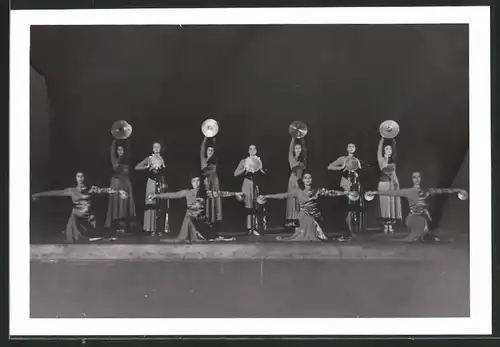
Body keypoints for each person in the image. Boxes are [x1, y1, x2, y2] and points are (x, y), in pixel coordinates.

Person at [365, 171, 468, 242]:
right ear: (412, 179)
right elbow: (392, 192)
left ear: (421, 178)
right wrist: (375, 192)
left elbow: (443, 191)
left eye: (418, 177)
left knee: (425, 221)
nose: (417, 179)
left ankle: (424, 235)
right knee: (420, 226)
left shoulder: (427, 191)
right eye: (414, 177)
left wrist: (458, 190)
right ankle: (420, 234)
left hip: (424, 218)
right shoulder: (408, 191)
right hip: (413, 218)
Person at [32, 171, 128, 244]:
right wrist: (39, 194)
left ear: (85, 178)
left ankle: (88, 235)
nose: (81, 178)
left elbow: (105, 190)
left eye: (82, 176)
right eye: (78, 176)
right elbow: (55, 193)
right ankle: (78, 237)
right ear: (76, 178)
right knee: (74, 216)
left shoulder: (91, 189)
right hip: (77, 216)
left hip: (89, 217)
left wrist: (119, 191)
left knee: (90, 225)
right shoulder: (71, 190)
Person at [258, 173, 356, 242]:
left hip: (317, 216)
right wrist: (267, 196)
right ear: (303, 180)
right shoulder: (298, 191)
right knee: (310, 224)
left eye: (309, 178)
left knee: (326, 233)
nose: (308, 179)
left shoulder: (317, 190)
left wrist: (345, 192)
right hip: (305, 216)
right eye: (306, 178)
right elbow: (283, 195)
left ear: (312, 179)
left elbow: (332, 193)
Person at [149, 175, 243, 242]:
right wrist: (156, 195)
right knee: (190, 218)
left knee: (210, 234)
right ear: (191, 182)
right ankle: (195, 235)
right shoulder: (187, 192)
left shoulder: (204, 193)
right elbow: (172, 195)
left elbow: (221, 193)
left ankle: (201, 234)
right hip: (189, 218)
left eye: (198, 181)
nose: (196, 183)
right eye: (194, 181)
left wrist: (235, 193)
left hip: (200, 219)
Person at [328, 143, 365, 234]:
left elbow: (361, 172)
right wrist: (341, 167)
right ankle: (345, 227)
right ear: (347, 148)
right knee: (345, 205)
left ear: (355, 149)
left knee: (355, 204)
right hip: (345, 183)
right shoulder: (342, 159)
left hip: (355, 184)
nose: (351, 148)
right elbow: (330, 166)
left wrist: (358, 170)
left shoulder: (357, 160)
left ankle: (355, 227)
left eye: (353, 147)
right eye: (349, 146)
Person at [135, 141, 169, 236]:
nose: (157, 148)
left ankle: (160, 228)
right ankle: (151, 228)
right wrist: (146, 167)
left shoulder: (162, 159)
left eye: (158, 147)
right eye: (155, 147)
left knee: (161, 205)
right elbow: (137, 167)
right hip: (151, 182)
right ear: (152, 149)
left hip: (160, 182)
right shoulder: (149, 158)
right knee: (152, 204)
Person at [234, 144, 266, 236]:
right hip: (247, 184)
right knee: (248, 205)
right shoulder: (244, 161)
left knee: (257, 205)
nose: (252, 150)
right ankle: (249, 228)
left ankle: (256, 227)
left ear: (256, 150)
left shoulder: (259, 161)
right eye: (250, 149)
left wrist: (262, 171)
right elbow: (235, 173)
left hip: (256, 184)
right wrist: (244, 169)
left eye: (254, 148)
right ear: (248, 151)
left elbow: (264, 173)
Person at [105, 139, 136, 233]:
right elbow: (111, 151)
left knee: (124, 203)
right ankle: (115, 224)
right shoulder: (114, 159)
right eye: (118, 150)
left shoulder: (128, 159)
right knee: (115, 203)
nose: (120, 151)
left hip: (125, 183)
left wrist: (126, 138)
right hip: (116, 183)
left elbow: (129, 149)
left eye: (122, 150)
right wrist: (114, 139)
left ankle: (124, 225)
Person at [376, 137, 402, 235]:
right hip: (383, 184)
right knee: (384, 205)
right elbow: (378, 150)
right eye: (387, 149)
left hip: (392, 184)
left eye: (390, 149)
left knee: (391, 205)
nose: (389, 151)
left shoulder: (393, 162)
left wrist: (393, 141)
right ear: (384, 150)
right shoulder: (381, 159)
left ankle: (390, 225)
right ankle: (385, 225)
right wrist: (382, 139)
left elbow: (395, 151)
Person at [200, 136, 222, 225]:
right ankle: (207, 218)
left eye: (212, 151)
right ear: (206, 151)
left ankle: (214, 219)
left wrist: (214, 140)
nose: (210, 152)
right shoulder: (203, 159)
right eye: (209, 150)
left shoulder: (215, 159)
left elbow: (216, 148)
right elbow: (202, 148)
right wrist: (205, 138)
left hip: (214, 179)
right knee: (206, 199)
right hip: (206, 180)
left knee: (214, 198)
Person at [286, 138, 307, 228]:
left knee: (300, 199)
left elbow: (305, 149)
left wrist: (302, 138)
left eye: (299, 148)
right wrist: (293, 138)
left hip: (300, 180)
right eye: (296, 148)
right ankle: (292, 220)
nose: (298, 150)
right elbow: (290, 149)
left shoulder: (303, 159)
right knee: (292, 199)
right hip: (293, 179)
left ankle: (300, 219)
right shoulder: (291, 157)